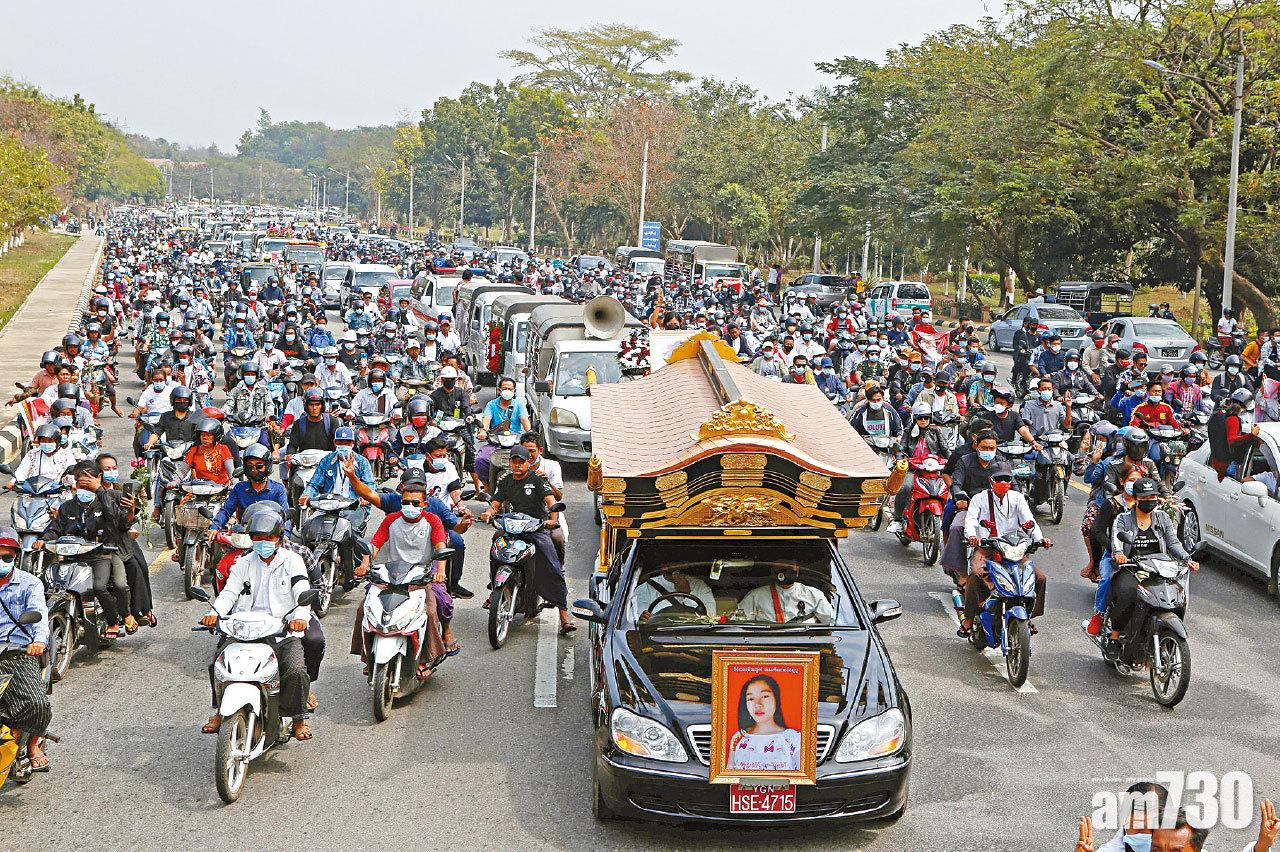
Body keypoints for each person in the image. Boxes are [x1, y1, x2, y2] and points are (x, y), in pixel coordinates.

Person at [200, 511, 312, 740]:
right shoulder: (243, 563)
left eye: (268, 538)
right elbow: (229, 593)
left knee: (296, 670)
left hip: (281, 630)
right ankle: (220, 712)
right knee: (217, 665)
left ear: (278, 538)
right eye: (257, 538)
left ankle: (298, 719)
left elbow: (302, 590)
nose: (263, 543)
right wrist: (213, 613)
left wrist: (300, 617)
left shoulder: (292, 561)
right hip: (245, 630)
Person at [478, 446, 574, 633]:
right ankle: (495, 590)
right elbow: (496, 503)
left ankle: (564, 616)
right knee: (496, 541)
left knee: (553, 567)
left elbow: (551, 502)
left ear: (528, 462)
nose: (517, 465)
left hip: (536, 529)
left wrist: (552, 521)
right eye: (514, 461)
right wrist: (488, 513)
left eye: (521, 461)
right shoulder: (506, 481)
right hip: (513, 528)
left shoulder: (537, 479)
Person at [366, 480, 457, 660]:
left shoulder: (432, 520)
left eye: (415, 503)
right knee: (365, 607)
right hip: (393, 574)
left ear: (424, 504)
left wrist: (441, 571)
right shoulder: (391, 519)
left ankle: (437, 645)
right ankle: (368, 657)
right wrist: (364, 564)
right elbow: (374, 545)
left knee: (437, 606)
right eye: (405, 502)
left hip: (423, 574)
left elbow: (440, 546)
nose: (410, 506)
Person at [40, 461, 132, 637]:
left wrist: (99, 491)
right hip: (73, 558)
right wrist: (43, 540)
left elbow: (115, 517)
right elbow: (55, 529)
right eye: (80, 484)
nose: (83, 489)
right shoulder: (67, 507)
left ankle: (113, 621)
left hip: (100, 556)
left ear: (97, 480)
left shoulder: (105, 501)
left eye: (87, 485)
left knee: (98, 586)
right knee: (54, 585)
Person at [961, 462, 1051, 635]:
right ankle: (969, 618)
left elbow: (1030, 523)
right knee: (975, 576)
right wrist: (972, 536)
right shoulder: (979, 499)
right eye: (999, 479)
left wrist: (1040, 539)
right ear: (990, 480)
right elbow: (971, 521)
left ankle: (1028, 616)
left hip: (1013, 550)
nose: (1003, 482)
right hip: (987, 549)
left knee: (1039, 578)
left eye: (1007, 479)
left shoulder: (1017, 498)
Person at [1107, 477, 1196, 646]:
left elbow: (1173, 543)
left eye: (1152, 497)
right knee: (1127, 592)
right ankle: (1115, 636)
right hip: (1131, 567)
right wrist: (1119, 554)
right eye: (1144, 498)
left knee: (1174, 595)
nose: (1149, 501)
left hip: (1158, 568)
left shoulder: (1163, 517)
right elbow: (1116, 542)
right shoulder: (1123, 519)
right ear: (1135, 498)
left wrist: (1187, 558)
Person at [0, 526, 52, 771]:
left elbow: (39, 616)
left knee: (37, 703)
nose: (1, 561)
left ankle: (33, 743)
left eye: (6, 557)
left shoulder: (29, 584)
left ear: (15, 558)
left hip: (18, 652)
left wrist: (38, 642)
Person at [1083, 465, 1143, 636]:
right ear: (1122, 482)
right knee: (1107, 580)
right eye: (1131, 480)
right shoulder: (1112, 504)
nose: (1135, 484)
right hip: (1114, 557)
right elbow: (1096, 531)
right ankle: (1099, 614)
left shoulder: (1146, 505)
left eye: (1138, 481)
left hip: (1141, 558)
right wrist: (1115, 551)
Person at [207, 445, 289, 537]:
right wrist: (215, 526)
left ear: (267, 466)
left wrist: (285, 535)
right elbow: (226, 511)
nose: (254, 470)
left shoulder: (278, 489)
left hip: (270, 536)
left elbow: (285, 516)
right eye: (250, 466)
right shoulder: (239, 488)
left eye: (259, 466)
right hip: (243, 536)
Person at [725, 674, 802, 772]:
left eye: (765, 696)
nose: (758, 704)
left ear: (776, 699)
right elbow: (730, 777)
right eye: (751, 699)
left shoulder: (793, 739)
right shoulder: (739, 737)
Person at [737, 563, 836, 624]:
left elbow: (832, 622)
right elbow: (738, 624)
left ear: (797, 569)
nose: (786, 569)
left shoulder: (813, 594)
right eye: (781, 565)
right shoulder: (755, 596)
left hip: (805, 643)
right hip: (767, 644)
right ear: (773, 569)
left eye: (790, 565)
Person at [1207, 388, 1259, 480]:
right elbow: (1232, 440)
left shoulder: (1217, 414)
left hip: (1215, 461)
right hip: (1226, 466)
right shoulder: (1233, 419)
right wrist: (1252, 435)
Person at [632, 565, 717, 621]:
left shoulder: (700, 586)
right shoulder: (645, 587)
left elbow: (710, 618)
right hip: (659, 634)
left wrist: (687, 592)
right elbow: (638, 618)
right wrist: (644, 617)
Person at [9, 424, 76, 486]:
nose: (46, 443)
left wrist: (71, 483)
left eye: (50, 441)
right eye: (43, 441)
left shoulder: (67, 455)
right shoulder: (32, 454)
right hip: (33, 492)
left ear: (57, 441)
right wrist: (13, 481)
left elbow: (73, 474)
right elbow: (22, 470)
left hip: (59, 494)